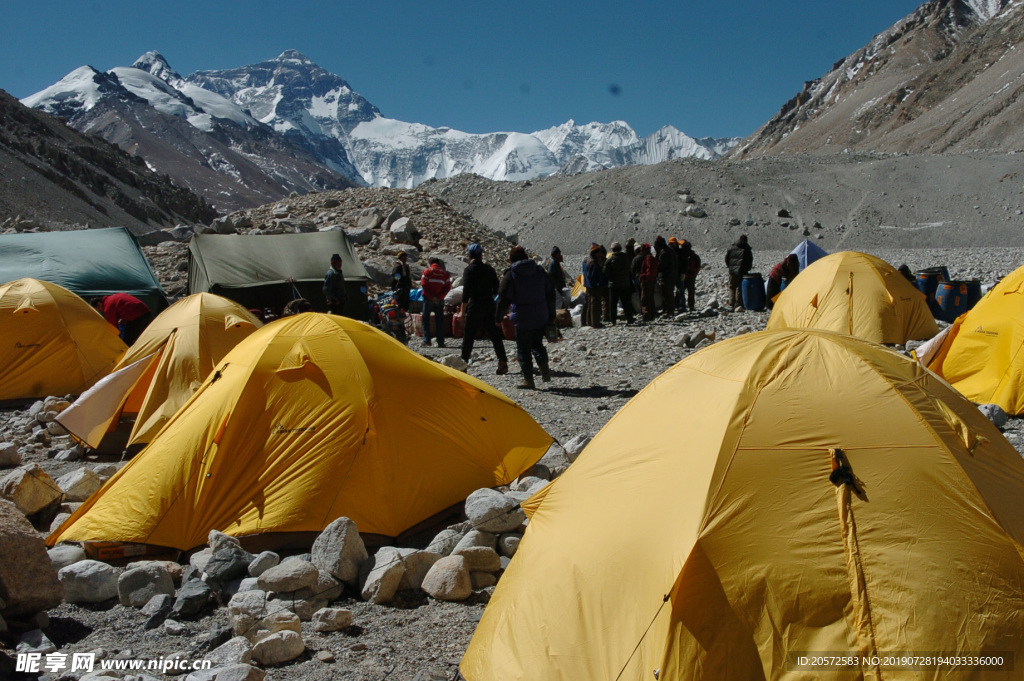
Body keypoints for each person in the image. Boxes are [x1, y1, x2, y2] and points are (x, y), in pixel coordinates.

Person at [496, 246, 555, 390]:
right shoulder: (539, 271)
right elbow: (550, 293)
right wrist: (551, 314)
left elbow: (503, 298)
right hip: (541, 315)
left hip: (522, 318)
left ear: (512, 259)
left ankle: (528, 379)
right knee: (537, 344)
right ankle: (545, 369)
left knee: (523, 349)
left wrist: (498, 317)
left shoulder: (511, 275)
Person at [460, 243, 509, 375]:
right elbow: (497, 289)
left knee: (469, 336)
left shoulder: (469, 270)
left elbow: (466, 294)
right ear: (481, 254)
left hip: (474, 305)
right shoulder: (489, 269)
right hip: (489, 305)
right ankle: (503, 362)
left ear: (470, 255)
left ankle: (463, 366)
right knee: (494, 335)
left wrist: (462, 312)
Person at [420, 257, 452, 347]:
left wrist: (431, 297)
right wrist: (439, 297)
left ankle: (427, 340)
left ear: (430, 263)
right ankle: (441, 342)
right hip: (439, 300)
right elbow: (447, 287)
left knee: (426, 319)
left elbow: (424, 285)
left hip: (428, 299)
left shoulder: (427, 271)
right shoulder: (444, 274)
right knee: (439, 321)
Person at [603, 242, 634, 325]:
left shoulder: (610, 259)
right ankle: (629, 318)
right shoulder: (626, 258)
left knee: (613, 303)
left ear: (613, 249)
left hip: (614, 285)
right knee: (626, 302)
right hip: (625, 284)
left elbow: (605, 271)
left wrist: (610, 279)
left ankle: (613, 320)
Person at [725, 234, 754, 310]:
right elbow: (749, 260)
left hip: (732, 271)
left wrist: (730, 266)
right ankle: (738, 304)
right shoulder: (747, 249)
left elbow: (727, 259)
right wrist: (748, 268)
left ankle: (731, 303)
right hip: (742, 270)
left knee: (731, 286)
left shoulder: (731, 248)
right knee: (739, 286)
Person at [582, 244, 607, 328]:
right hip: (594, 286)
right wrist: (597, 284)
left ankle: (589, 321)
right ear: (596, 253)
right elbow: (592, 276)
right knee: (595, 305)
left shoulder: (587, 260)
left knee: (590, 304)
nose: (601, 254)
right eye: (599, 252)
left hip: (588, 285)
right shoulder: (594, 262)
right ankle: (595, 323)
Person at [654, 236, 678, 317]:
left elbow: (662, 265)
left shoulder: (664, 252)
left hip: (667, 276)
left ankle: (669, 310)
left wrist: (659, 273)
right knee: (669, 292)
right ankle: (669, 309)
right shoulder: (669, 250)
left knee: (667, 293)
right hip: (672, 275)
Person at [637, 243, 658, 322]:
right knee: (650, 298)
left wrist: (643, 277)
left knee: (645, 298)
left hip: (647, 281)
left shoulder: (648, 258)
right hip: (651, 280)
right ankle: (651, 315)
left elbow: (648, 270)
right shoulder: (651, 257)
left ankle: (646, 315)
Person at [679, 240, 702, 312]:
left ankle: (680, 306)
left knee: (680, 292)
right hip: (691, 276)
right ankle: (691, 306)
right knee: (691, 292)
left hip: (683, 276)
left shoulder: (681, 255)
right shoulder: (694, 256)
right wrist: (694, 275)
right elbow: (698, 267)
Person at [670, 237, 688, 311]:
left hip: (679, 274)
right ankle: (676, 305)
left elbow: (685, 264)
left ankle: (681, 306)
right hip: (674, 274)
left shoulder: (680, 252)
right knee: (676, 291)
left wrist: (683, 273)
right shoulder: (671, 252)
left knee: (680, 291)